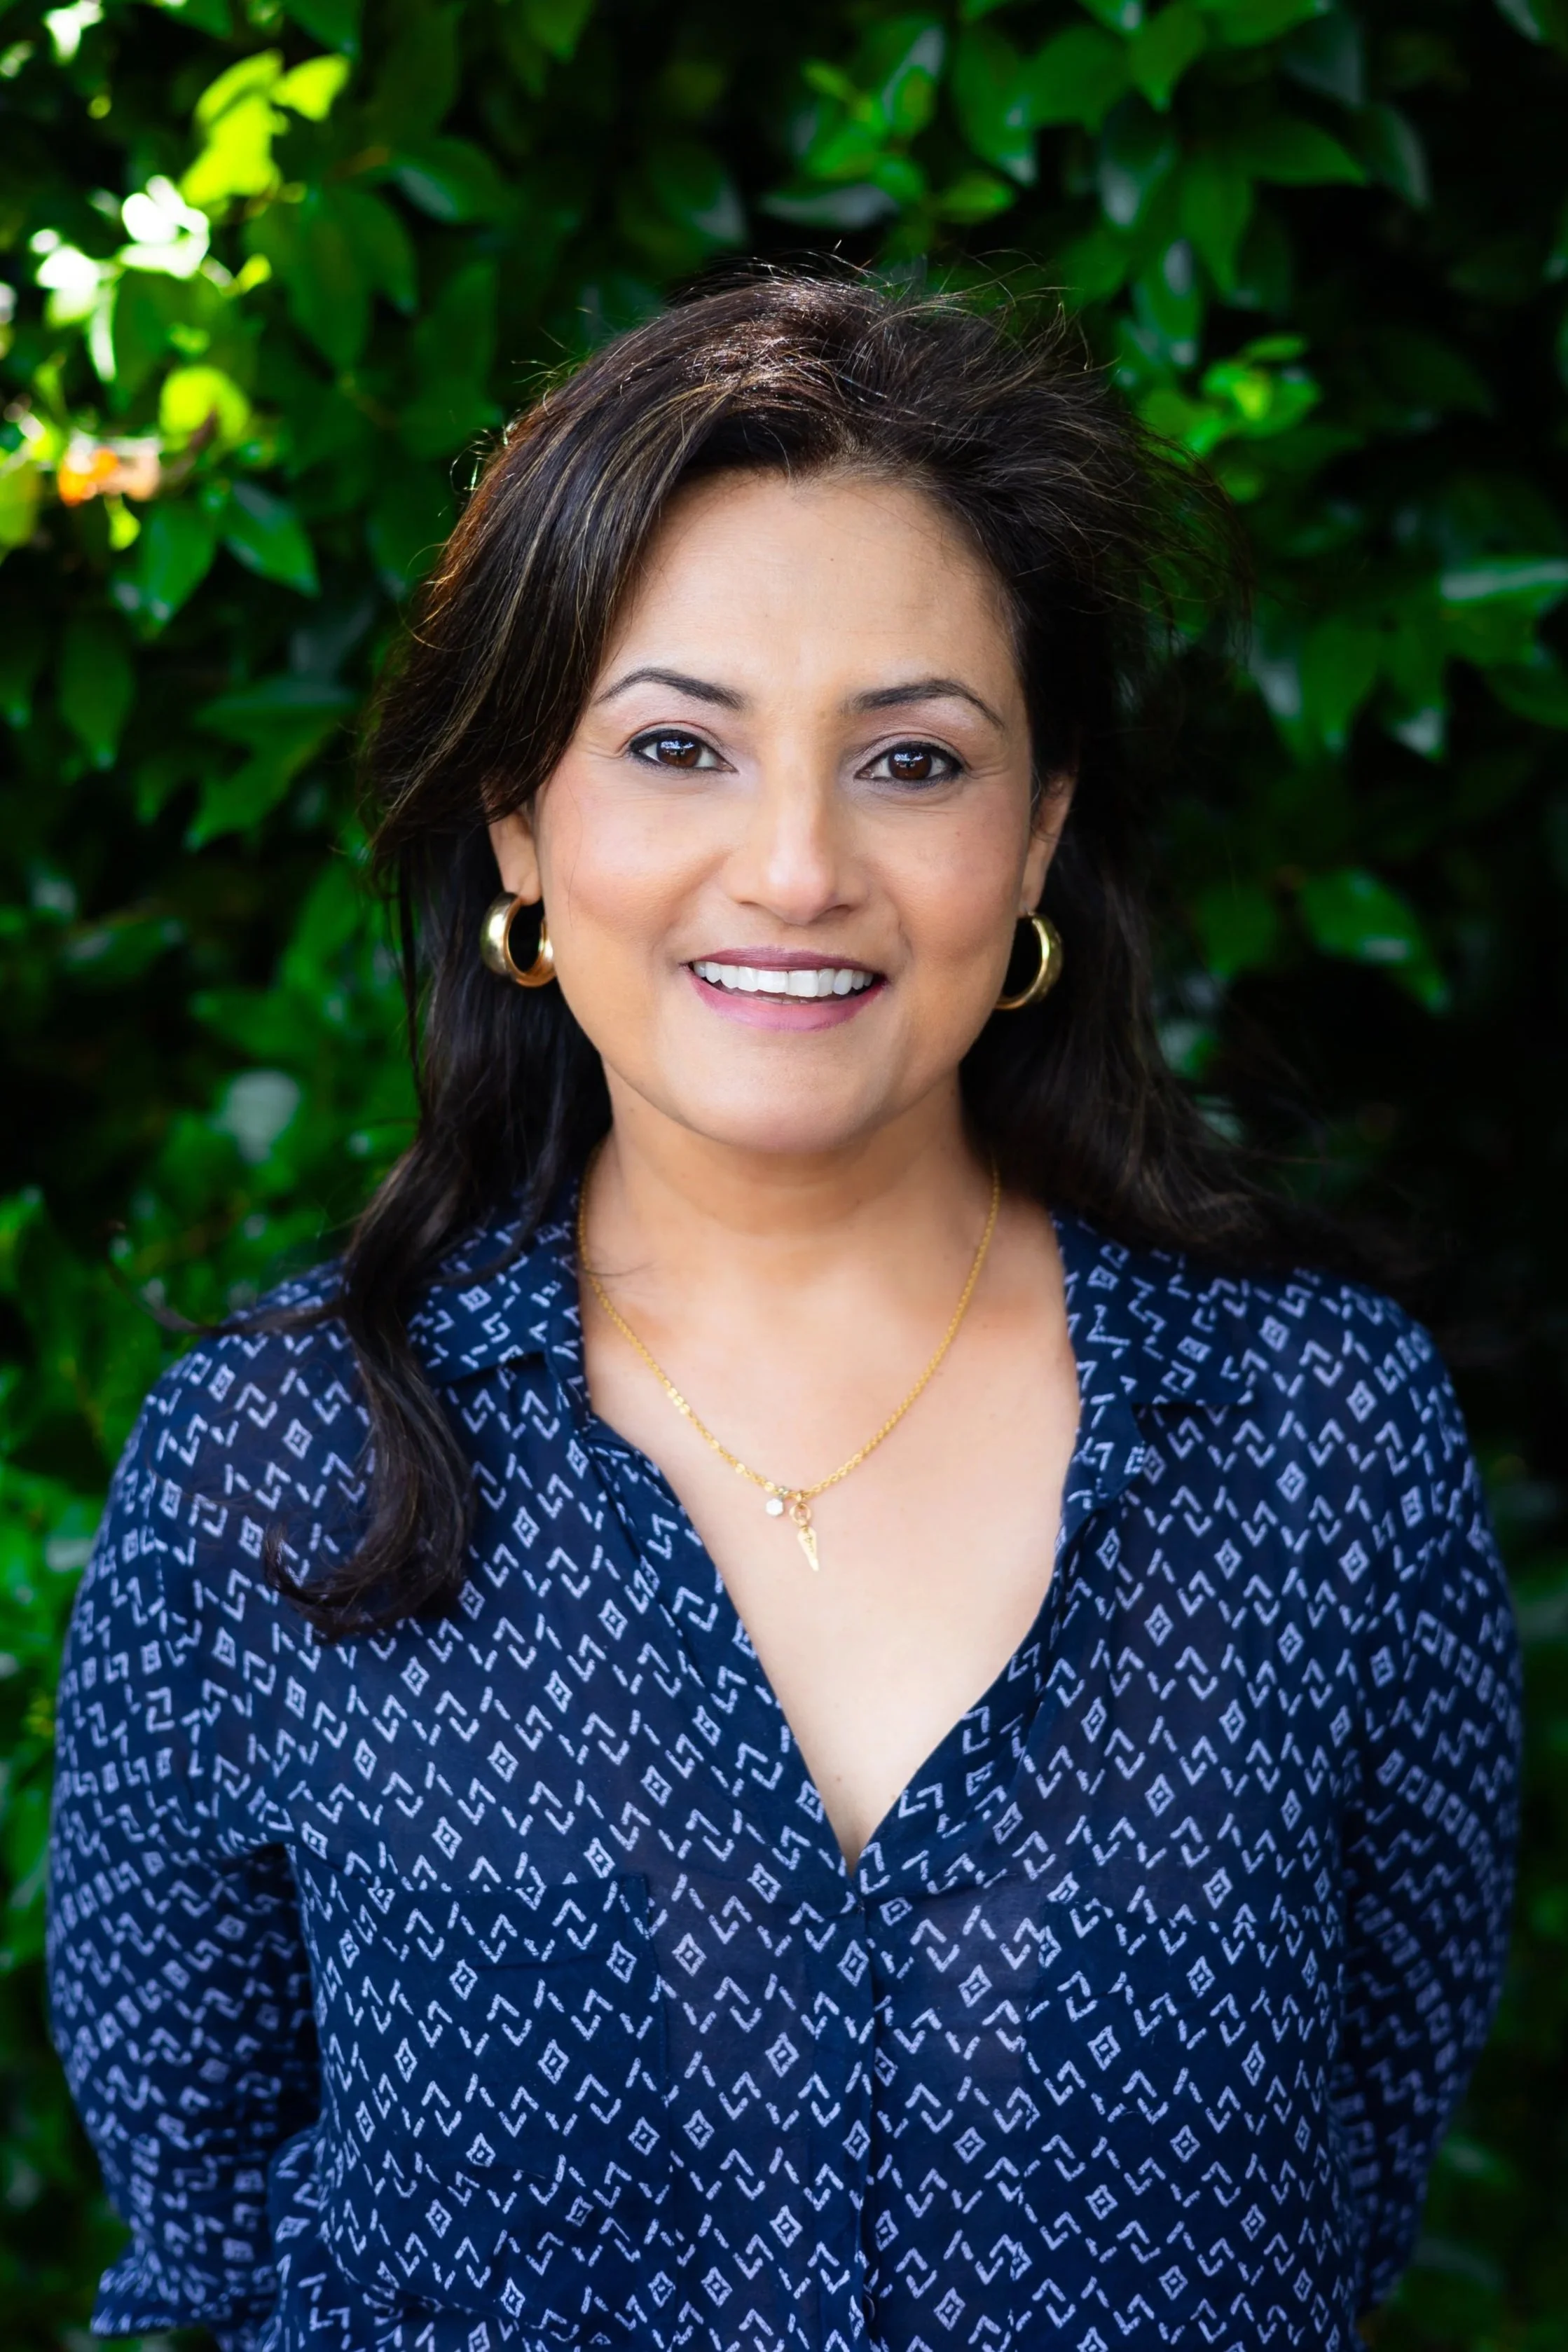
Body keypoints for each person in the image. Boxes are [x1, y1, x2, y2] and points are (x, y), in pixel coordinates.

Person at [48, 273, 1520, 2352]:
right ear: (520, 819)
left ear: (1040, 830)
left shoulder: (1317, 1440)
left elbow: (1346, 2179)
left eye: (911, 758)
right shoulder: (273, 1468)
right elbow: (211, 2242)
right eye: (676, 746)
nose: (797, 863)